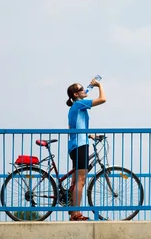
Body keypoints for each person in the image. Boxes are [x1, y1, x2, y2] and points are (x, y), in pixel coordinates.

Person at [65, 78, 106, 221]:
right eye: (81, 89)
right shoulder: (80, 104)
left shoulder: (74, 108)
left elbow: (75, 127)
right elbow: (103, 99)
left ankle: (73, 213)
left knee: (75, 181)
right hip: (81, 145)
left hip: (74, 145)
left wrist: (90, 135)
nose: (84, 90)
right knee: (81, 181)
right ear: (76, 94)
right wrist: (99, 85)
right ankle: (76, 213)